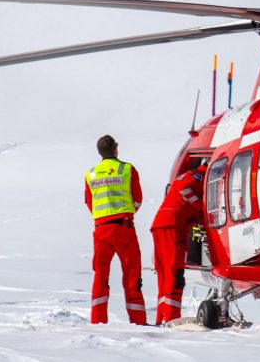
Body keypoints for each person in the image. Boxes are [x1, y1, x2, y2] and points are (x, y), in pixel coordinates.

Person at [84, 134, 147, 325]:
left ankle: (97, 320)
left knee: (100, 275)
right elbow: (137, 199)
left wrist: (104, 216)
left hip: (101, 229)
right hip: (123, 228)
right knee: (131, 274)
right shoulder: (127, 169)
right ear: (115, 150)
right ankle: (138, 321)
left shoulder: (91, 174)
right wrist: (125, 213)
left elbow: (90, 203)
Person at [151, 160, 207, 325]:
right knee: (175, 273)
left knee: (164, 274)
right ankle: (171, 317)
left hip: (162, 224)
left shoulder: (190, 175)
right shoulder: (199, 176)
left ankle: (161, 316)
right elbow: (184, 189)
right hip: (173, 225)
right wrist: (201, 206)